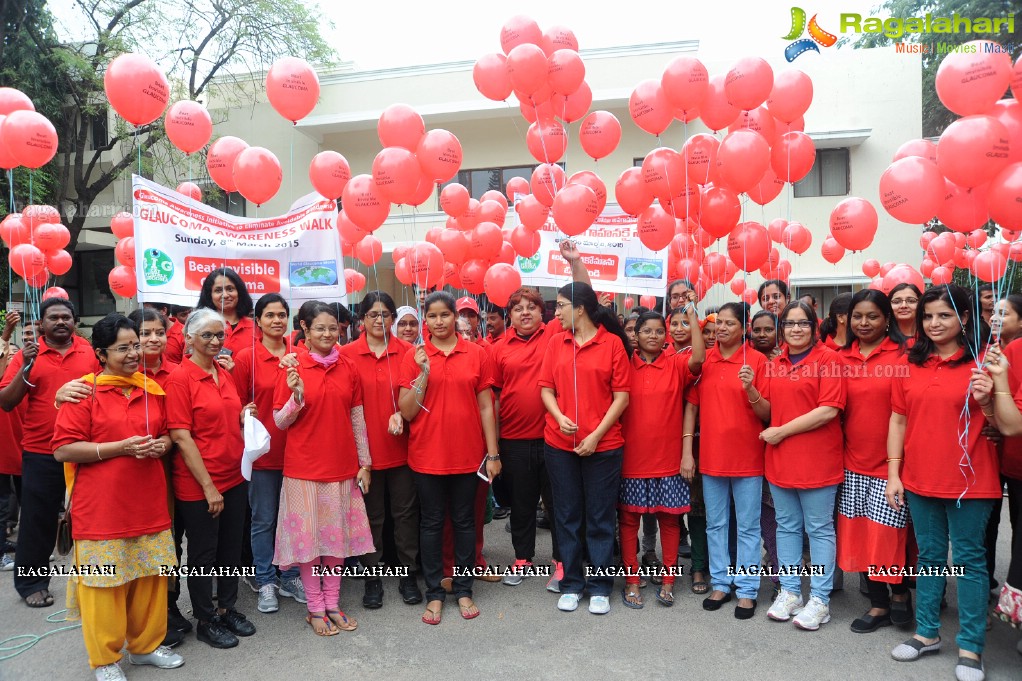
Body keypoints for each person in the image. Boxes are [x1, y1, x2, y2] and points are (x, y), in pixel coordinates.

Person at [52, 313, 183, 680]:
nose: (133, 353)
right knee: (103, 585)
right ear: (100, 353)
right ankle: (105, 660)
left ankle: (145, 647)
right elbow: (63, 449)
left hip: (149, 502)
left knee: (149, 580)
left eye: (136, 345)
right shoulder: (84, 391)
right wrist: (120, 448)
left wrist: (163, 444)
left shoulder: (151, 390)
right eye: (123, 347)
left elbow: (169, 432)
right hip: (101, 509)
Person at [889, 285, 1000, 681]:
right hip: (918, 478)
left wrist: (990, 400)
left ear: (965, 318)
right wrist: (893, 473)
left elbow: (1006, 423)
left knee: (969, 561)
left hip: (971, 480)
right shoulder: (910, 363)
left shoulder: (986, 361)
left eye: (944, 315)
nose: (934, 323)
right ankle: (927, 633)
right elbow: (898, 419)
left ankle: (970, 647)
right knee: (931, 559)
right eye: (928, 316)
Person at [398, 291, 500, 625]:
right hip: (427, 456)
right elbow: (407, 412)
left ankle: (464, 588)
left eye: (445, 315)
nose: (438, 322)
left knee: (464, 522)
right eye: (432, 316)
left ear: (455, 317)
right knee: (431, 523)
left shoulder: (476, 354)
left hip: (468, 456)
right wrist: (423, 374)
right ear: (425, 320)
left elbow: (486, 406)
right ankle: (435, 593)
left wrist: (493, 453)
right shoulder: (414, 356)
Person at [273, 302, 373, 636]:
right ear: (304, 327)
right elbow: (280, 420)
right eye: (320, 328)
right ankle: (315, 608)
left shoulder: (348, 366)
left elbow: (357, 417)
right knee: (309, 547)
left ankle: (332, 603)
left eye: (333, 328)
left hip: (343, 469)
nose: (328, 334)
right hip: (302, 471)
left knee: (335, 544)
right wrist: (296, 397)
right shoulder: (290, 367)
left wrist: (366, 463)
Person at [165, 308, 257, 649]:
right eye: (207, 335)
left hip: (234, 477)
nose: (216, 341)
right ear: (189, 339)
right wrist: (208, 487)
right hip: (200, 484)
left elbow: (227, 417)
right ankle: (205, 619)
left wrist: (244, 414)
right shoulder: (180, 378)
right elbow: (181, 437)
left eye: (220, 335)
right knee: (203, 555)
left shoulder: (223, 372)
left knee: (230, 549)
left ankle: (226, 607)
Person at [539, 282, 631, 615]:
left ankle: (601, 585)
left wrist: (595, 436)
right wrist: (559, 415)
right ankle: (572, 583)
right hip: (559, 444)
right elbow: (546, 389)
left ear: (580, 309)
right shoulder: (555, 343)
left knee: (600, 517)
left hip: (604, 446)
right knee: (566, 515)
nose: (556, 312)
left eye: (561, 305)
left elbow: (621, 397)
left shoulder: (612, 345)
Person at [0, 297, 98, 608]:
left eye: (65, 317)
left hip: (84, 449)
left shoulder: (89, 352)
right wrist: (27, 366)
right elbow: (6, 401)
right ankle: (31, 583)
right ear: (41, 324)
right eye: (53, 317)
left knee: (91, 519)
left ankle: (96, 581)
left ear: (74, 321)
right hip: (41, 452)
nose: (60, 322)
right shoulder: (27, 355)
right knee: (37, 521)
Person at [756, 300, 845, 631]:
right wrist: (750, 389)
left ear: (814, 326)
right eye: (790, 324)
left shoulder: (829, 360)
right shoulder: (775, 363)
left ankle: (820, 599)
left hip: (817, 459)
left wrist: (782, 431)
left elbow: (829, 409)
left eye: (802, 323)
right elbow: (766, 410)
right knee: (786, 527)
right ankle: (791, 591)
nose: (795, 329)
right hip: (780, 460)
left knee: (819, 529)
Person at [835, 290, 912, 634]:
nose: (863, 323)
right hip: (852, 462)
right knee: (863, 538)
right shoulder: (839, 357)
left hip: (893, 465)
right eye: (857, 316)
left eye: (872, 316)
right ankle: (878, 604)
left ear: (887, 320)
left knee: (887, 539)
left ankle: (899, 595)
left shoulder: (906, 355)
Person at [685, 302, 767, 620]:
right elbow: (691, 407)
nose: (722, 328)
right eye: (719, 323)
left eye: (730, 323)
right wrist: (687, 452)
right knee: (715, 524)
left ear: (744, 327)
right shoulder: (705, 361)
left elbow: (768, 413)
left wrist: (751, 389)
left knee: (747, 527)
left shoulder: (757, 361)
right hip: (712, 458)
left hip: (748, 458)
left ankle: (747, 590)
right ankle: (721, 583)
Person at [340, 292, 423, 608]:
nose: (379, 320)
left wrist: (403, 414)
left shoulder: (408, 352)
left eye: (386, 314)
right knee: (370, 516)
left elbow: (418, 398)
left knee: (404, 515)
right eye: (372, 314)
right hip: (363, 454)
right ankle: (372, 578)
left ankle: (406, 574)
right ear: (362, 318)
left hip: (403, 449)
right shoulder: (346, 354)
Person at [620, 304, 704, 610]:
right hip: (630, 459)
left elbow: (698, 357)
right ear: (636, 335)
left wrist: (693, 317)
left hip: (669, 459)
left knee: (670, 522)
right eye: (646, 331)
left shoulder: (676, 363)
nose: (653, 336)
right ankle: (631, 580)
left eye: (659, 331)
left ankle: (668, 581)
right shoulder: (623, 364)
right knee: (629, 522)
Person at [231, 294, 307, 615]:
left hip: (299, 453)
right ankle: (264, 580)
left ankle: (290, 576)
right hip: (263, 454)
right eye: (270, 315)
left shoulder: (300, 354)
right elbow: (229, 401)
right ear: (257, 321)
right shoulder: (246, 358)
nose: (277, 320)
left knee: (292, 521)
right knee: (263, 520)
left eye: (282, 314)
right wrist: (240, 412)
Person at [491, 287, 566, 590]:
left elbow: (580, 292)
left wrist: (575, 263)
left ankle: (562, 560)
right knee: (521, 504)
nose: (525, 312)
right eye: (518, 308)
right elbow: (493, 398)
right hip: (514, 439)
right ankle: (523, 558)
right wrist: (493, 446)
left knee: (558, 504)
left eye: (531, 307)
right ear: (509, 315)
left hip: (554, 438)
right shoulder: (498, 348)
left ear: (541, 312)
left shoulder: (555, 335)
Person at [0, 310, 24, 570]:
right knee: (2, 502)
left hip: (21, 446)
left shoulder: (21, 378)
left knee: (22, 500)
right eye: (9, 354)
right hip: (4, 448)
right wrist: (6, 333)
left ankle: (25, 548)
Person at [196, 267, 256, 356]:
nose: (225, 295)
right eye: (218, 290)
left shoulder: (256, 328)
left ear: (239, 292)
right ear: (209, 295)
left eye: (230, 289)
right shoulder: (199, 326)